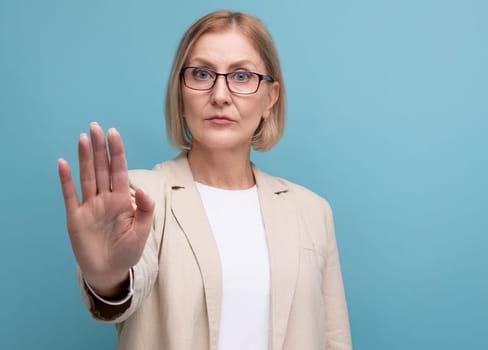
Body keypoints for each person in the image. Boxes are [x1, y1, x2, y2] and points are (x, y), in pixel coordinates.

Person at [56, 10, 352, 350]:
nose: (221, 95)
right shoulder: (140, 196)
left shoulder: (313, 212)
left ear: (270, 98)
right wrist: (107, 279)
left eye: (242, 76)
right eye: (201, 74)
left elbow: (334, 340)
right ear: (180, 94)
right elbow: (126, 285)